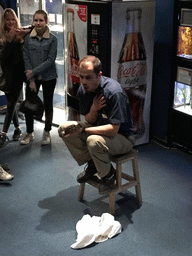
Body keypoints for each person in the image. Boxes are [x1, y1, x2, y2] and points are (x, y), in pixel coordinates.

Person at [58, 55, 135, 194]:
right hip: (101, 131)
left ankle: (108, 175)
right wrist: (94, 108)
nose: (83, 81)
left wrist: (83, 130)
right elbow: (90, 120)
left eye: (88, 77)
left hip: (123, 137)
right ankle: (93, 164)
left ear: (99, 75)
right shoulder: (84, 90)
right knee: (64, 129)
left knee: (93, 141)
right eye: (81, 77)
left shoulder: (113, 92)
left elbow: (113, 130)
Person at [20, 10, 57, 146]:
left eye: (41, 20)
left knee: (48, 104)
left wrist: (33, 72)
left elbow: (50, 60)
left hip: (49, 77)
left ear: (46, 21)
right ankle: (29, 132)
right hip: (32, 78)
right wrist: (31, 80)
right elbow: (26, 58)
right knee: (29, 104)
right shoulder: (28, 38)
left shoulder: (53, 39)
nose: (38, 23)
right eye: (36, 20)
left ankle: (47, 132)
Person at [0, 8, 30, 147]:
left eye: (13, 19)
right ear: (4, 21)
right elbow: (3, 58)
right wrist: (9, 40)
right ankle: (18, 129)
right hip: (6, 76)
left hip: (18, 74)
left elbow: (35, 26)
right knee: (11, 102)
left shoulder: (20, 33)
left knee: (11, 104)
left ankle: (3, 133)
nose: (11, 22)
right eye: (8, 20)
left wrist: (23, 33)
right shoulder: (2, 36)